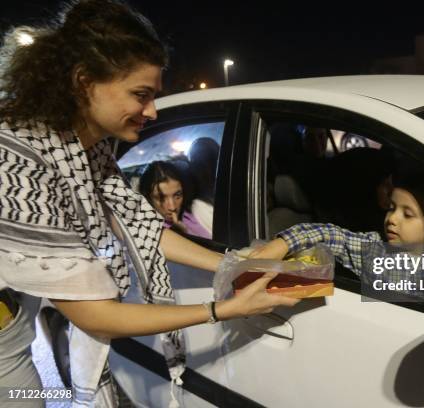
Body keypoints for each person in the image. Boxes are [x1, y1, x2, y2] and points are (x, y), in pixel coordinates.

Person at [0, 1, 298, 406]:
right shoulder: (17, 161)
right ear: (83, 81)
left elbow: (137, 223)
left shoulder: (85, 147)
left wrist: (232, 263)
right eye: (140, 95)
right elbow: (94, 315)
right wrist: (222, 309)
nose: (152, 111)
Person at [250, 166, 424, 304]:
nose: (392, 219)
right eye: (391, 207)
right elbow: (332, 235)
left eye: (407, 214)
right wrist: (284, 243)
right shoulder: (375, 249)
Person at [140, 160, 211, 239]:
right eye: (161, 198)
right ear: (148, 198)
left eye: (177, 195)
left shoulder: (195, 211)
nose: (172, 207)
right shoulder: (151, 232)